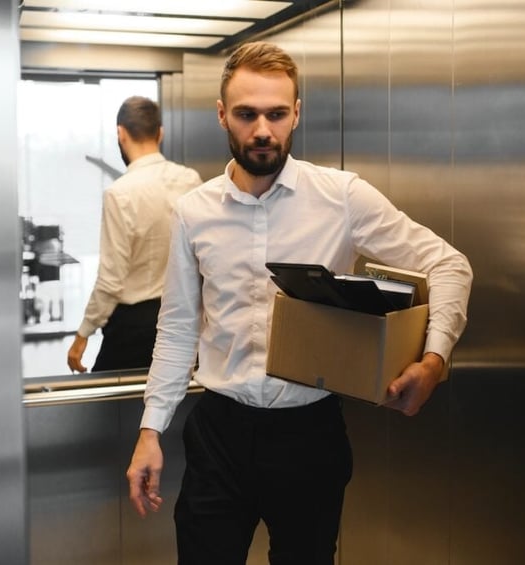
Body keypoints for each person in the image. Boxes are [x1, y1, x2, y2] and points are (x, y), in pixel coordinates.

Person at [125, 41, 473, 564]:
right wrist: (151, 430)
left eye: (276, 113)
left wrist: (433, 359)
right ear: (222, 115)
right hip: (219, 431)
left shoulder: (342, 196)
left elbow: (448, 264)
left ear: (296, 115)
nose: (262, 129)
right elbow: (176, 327)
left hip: (309, 435)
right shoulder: (192, 212)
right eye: (246, 114)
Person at [68, 96, 203, 373]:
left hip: (134, 328)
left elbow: (111, 280)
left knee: (110, 410)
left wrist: (83, 334)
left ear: (121, 133)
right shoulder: (191, 180)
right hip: (184, 319)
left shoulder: (119, 193)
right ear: (160, 133)